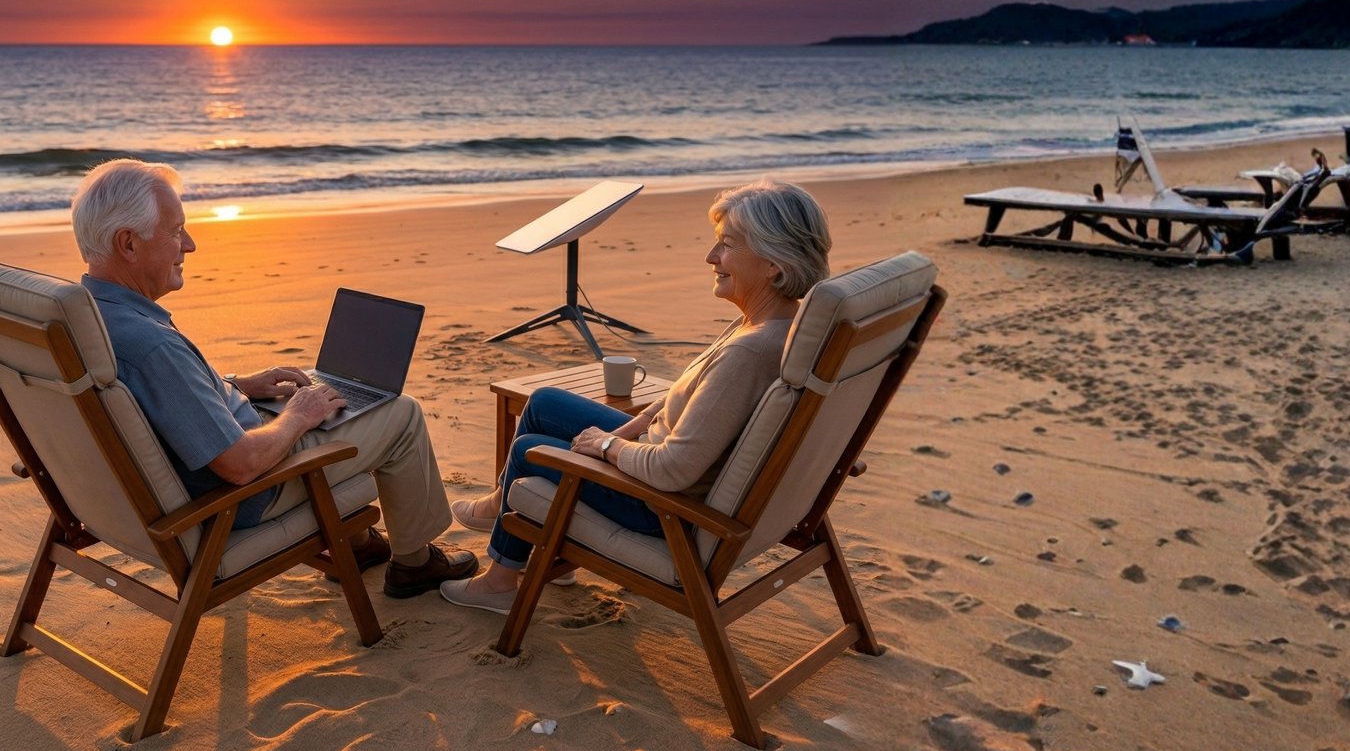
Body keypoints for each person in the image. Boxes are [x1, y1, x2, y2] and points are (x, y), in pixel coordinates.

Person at [71, 159, 477, 598]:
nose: (189, 245)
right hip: (240, 497)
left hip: (161, 485)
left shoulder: (83, 317)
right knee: (400, 413)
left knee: (318, 404)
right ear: (128, 244)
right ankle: (415, 564)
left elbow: (155, 402)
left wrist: (237, 386)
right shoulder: (150, 344)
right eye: (175, 231)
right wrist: (298, 417)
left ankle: (357, 545)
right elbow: (240, 465)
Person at [439, 180, 830, 612]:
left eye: (728, 246)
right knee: (546, 402)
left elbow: (673, 470)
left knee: (531, 451)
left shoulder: (748, 352)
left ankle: (498, 582)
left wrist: (607, 447)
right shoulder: (777, 325)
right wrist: (629, 428)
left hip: (662, 508)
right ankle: (514, 515)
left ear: (773, 264)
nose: (711, 257)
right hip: (661, 460)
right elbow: (692, 406)